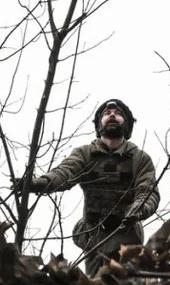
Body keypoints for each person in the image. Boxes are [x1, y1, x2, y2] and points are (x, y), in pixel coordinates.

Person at [14, 99, 162, 275]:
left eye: (118, 114)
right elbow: (64, 173)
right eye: (107, 114)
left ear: (127, 125)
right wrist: (38, 183)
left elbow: (148, 191)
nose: (112, 115)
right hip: (94, 237)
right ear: (99, 124)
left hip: (126, 240)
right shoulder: (85, 154)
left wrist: (138, 209)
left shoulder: (139, 159)